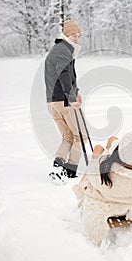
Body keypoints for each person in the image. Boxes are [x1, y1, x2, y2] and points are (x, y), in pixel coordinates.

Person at [73, 132, 132, 246]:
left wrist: (97, 156)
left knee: (98, 148)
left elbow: (92, 177)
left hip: (109, 200)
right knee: (113, 139)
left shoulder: (103, 170)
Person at [44, 20, 87, 183]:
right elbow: (64, 75)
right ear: (65, 35)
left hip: (52, 103)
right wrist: (71, 97)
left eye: (78, 36)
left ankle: (58, 166)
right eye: (73, 35)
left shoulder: (57, 50)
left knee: (68, 137)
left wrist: (76, 93)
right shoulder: (63, 51)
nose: (76, 38)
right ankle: (70, 169)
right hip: (63, 102)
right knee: (81, 136)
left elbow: (64, 76)